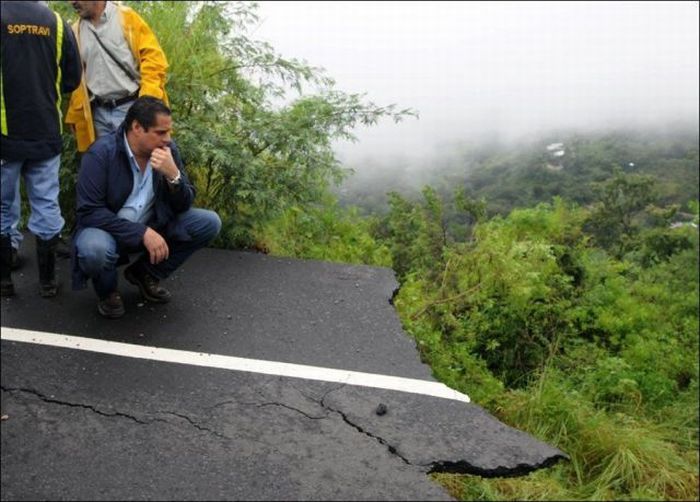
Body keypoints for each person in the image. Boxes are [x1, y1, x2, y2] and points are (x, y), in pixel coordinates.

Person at [72, 97, 221, 319]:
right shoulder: (101, 154)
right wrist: (141, 233)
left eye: (169, 132)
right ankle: (108, 291)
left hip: (153, 223)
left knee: (209, 223)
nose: (167, 139)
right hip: (109, 230)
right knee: (95, 249)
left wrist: (174, 176)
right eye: (160, 133)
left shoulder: (167, 151)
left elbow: (184, 204)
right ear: (137, 128)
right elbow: (89, 212)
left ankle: (144, 274)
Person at [1, 0, 82, 298]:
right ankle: (47, 283)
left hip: (5, 134)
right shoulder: (56, 22)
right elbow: (73, 77)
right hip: (46, 132)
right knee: (46, 203)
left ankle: (4, 282)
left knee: (1, 206)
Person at [65, 0, 169, 150]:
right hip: (98, 115)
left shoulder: (126, 17)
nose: (72, 2)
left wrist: (146, 103)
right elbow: (78, 80)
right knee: (106, 168)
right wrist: (76, 115)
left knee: (138, 166)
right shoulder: (76, 31)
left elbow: (154, 59)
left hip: (131, 109)